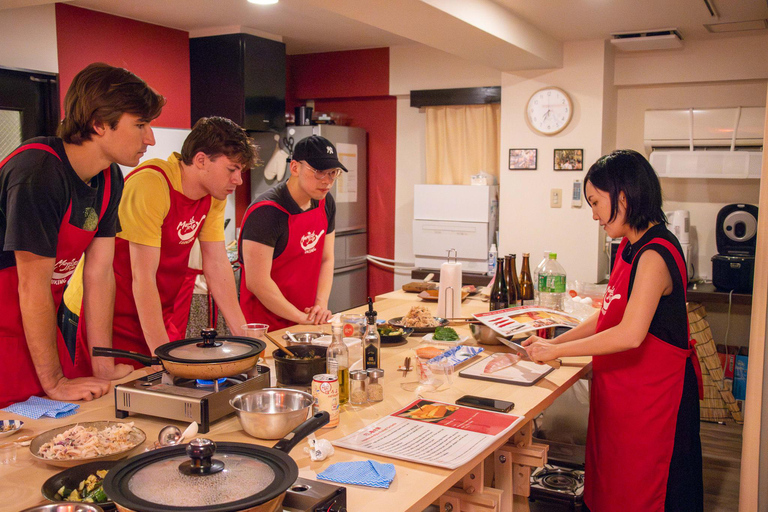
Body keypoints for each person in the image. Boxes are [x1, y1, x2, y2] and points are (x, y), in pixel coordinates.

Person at [523, 149, 703, 512]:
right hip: (622, 396)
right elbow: (608, 316)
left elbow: (629, 334)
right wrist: (556, 340)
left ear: (622, 196)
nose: (594, 215)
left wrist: (556, 353)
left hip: (653, 404)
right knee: (611, 490)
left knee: (645, 493)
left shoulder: (656, 254)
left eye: (595, 203)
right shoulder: (628, 247)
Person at [0, 63, 165, 408]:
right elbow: (31, 286)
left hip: (36, 320)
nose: (150, 138)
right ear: (99, 124)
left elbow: (99, 274)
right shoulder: (39, 172)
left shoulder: (109, 177)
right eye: (140, 125)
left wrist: (101, 363)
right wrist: (55, 381)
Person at [63, 116, 256, 367]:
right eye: (232, 169)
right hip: (101, 313)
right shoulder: (152, 184)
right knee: (103, 397)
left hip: (152, 311)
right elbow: (142, 277)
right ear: (200, 160)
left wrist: (245, 339)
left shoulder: (214, 195)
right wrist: (163, 356)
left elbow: (217, 265)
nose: (238, 181)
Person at [239, 135, 341, 330]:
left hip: (305, 321)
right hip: (263, 328)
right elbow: (257, 282)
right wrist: (302, 318)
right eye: (319, 172)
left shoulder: (325, 202)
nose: (327, 181)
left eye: (333, 173)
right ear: (294, 167)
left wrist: (320, 305)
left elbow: (327, 258)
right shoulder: (266, 212)